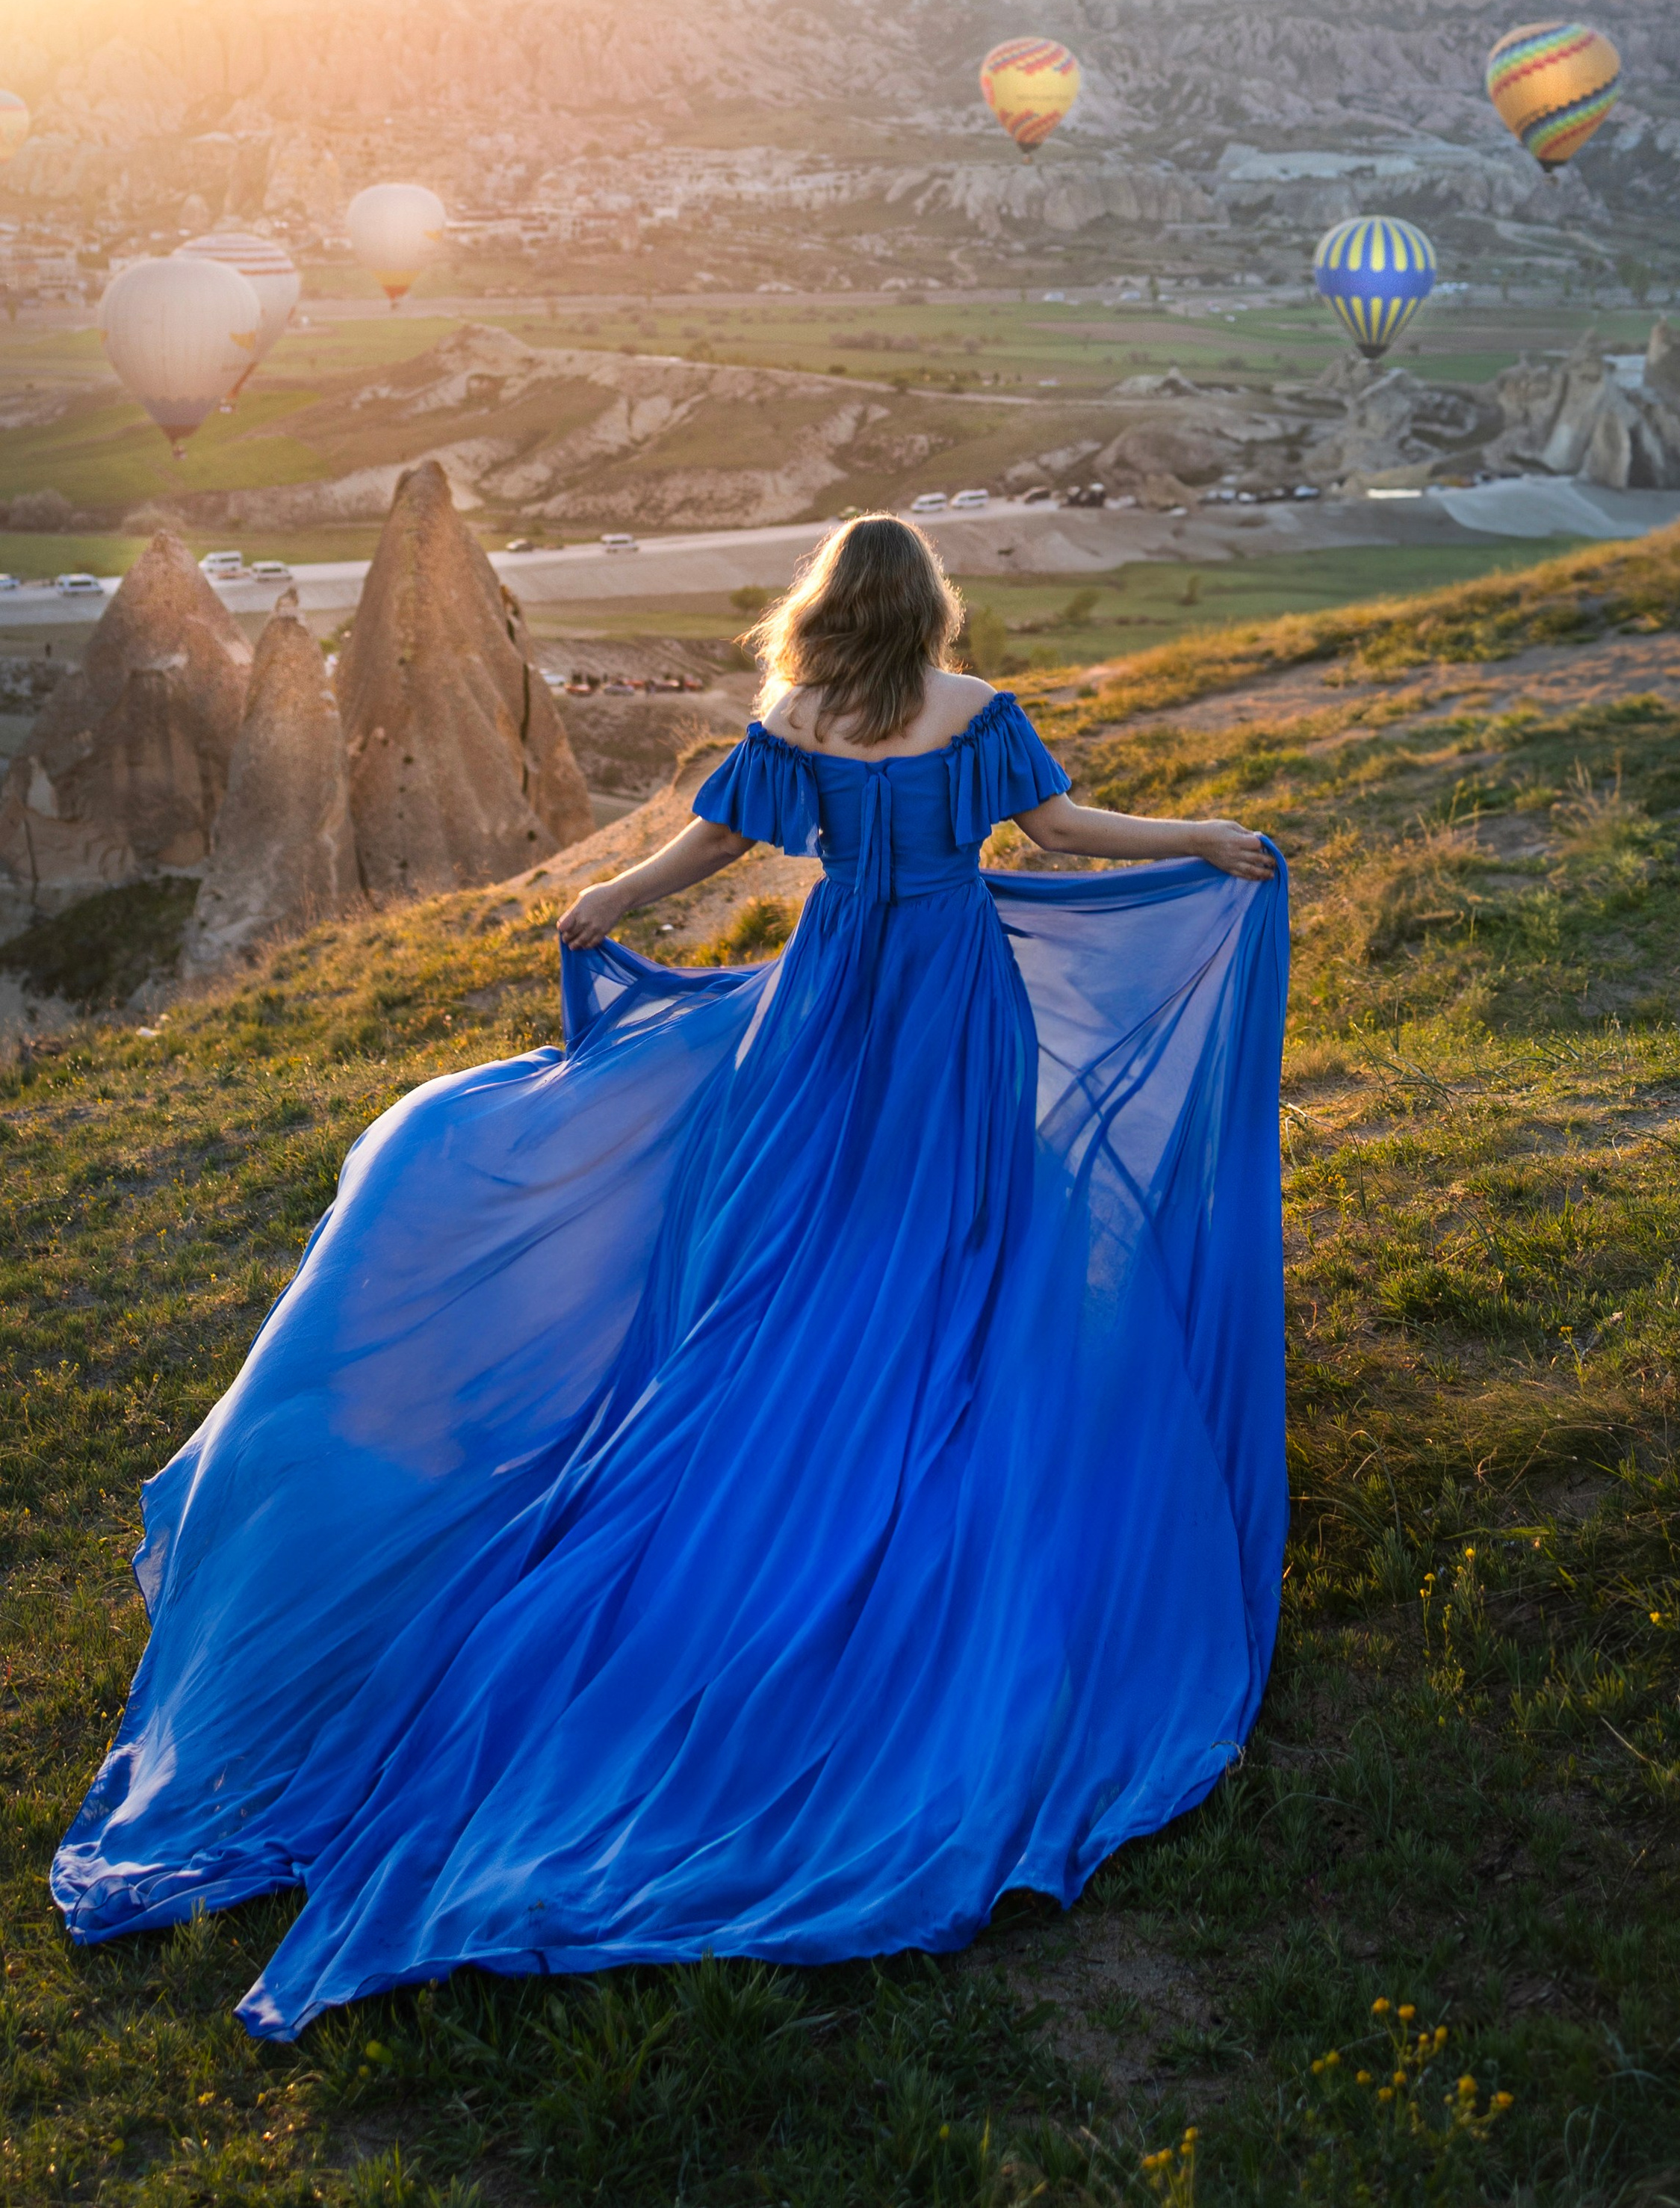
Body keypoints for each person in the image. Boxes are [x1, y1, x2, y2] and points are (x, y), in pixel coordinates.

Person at [53, 516, 1290, 2040]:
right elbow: (1063, 836)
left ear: (829, 608)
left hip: (831, 991)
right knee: (948, 1214)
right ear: (929, 607)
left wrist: (611, 903)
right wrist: (1201, 842)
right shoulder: (977, 715)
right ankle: (929, 1390)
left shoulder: (800, 716)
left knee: (797, 1221)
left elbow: (712, 847)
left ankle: (822, 1378)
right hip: (949, 995)